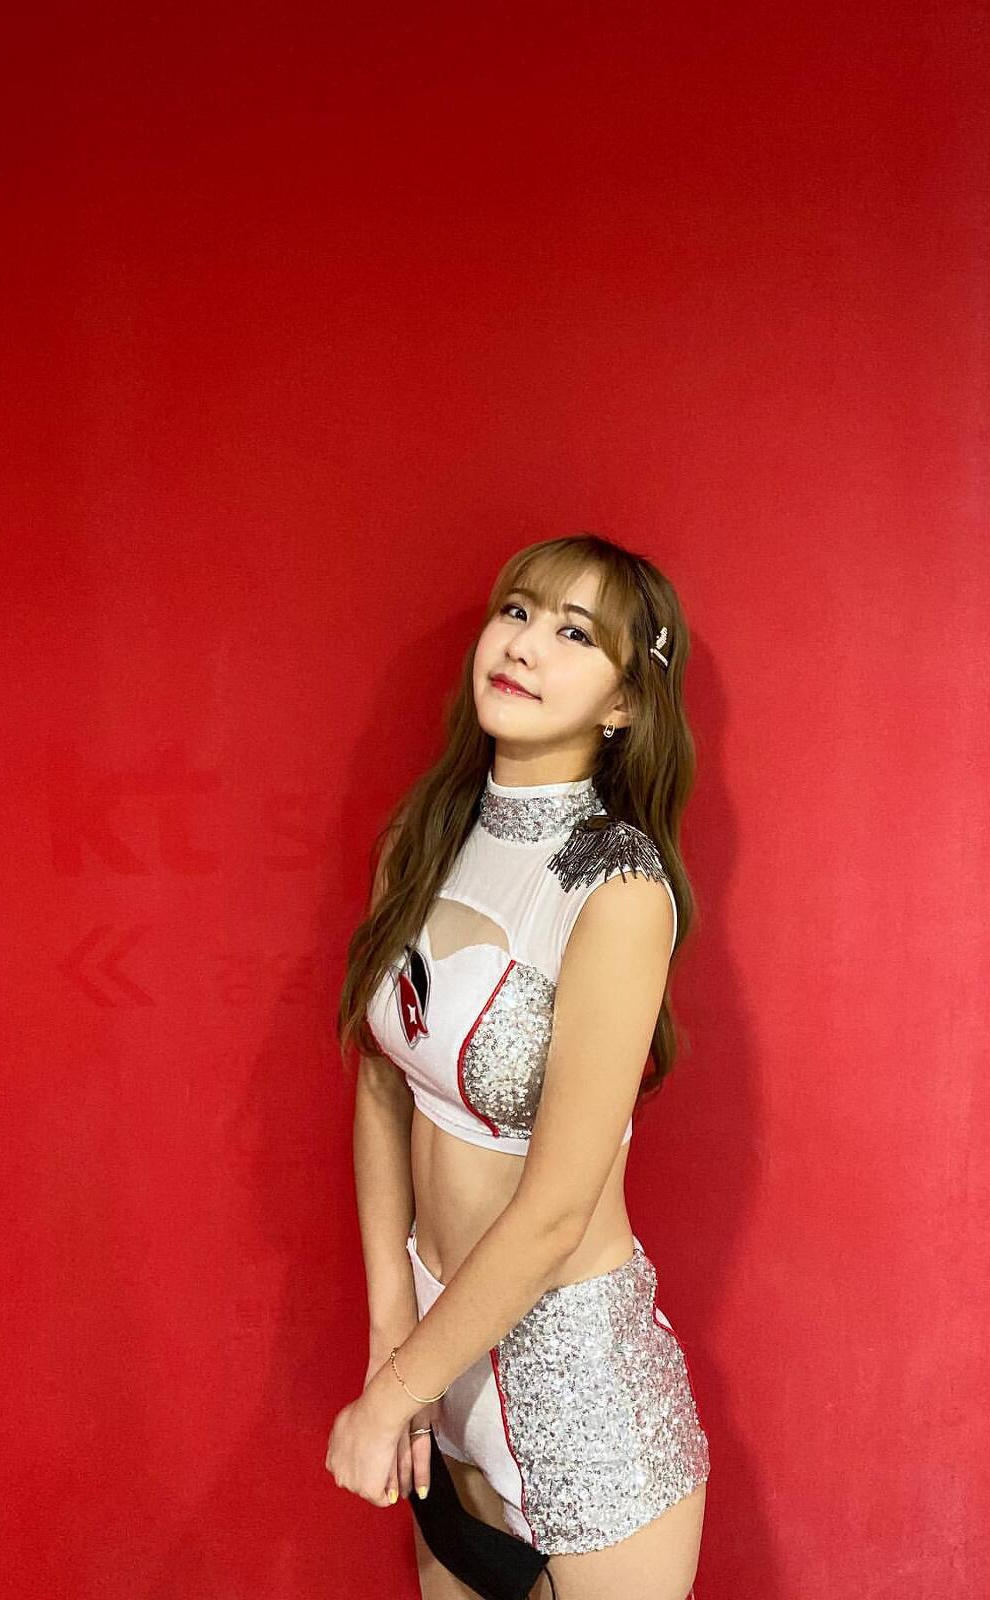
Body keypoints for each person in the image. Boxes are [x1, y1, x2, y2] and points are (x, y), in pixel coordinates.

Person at [327, 532, 711, 1599]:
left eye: (575, 634)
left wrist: (389, 1396)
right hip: (441, 1361)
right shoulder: (423, 835)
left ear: (623, 703)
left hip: (581, 1403)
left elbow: (553, 1211)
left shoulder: (618, 890)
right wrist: (396, 1341)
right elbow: (379, 1079)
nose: (526, 644)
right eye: (518, 611)